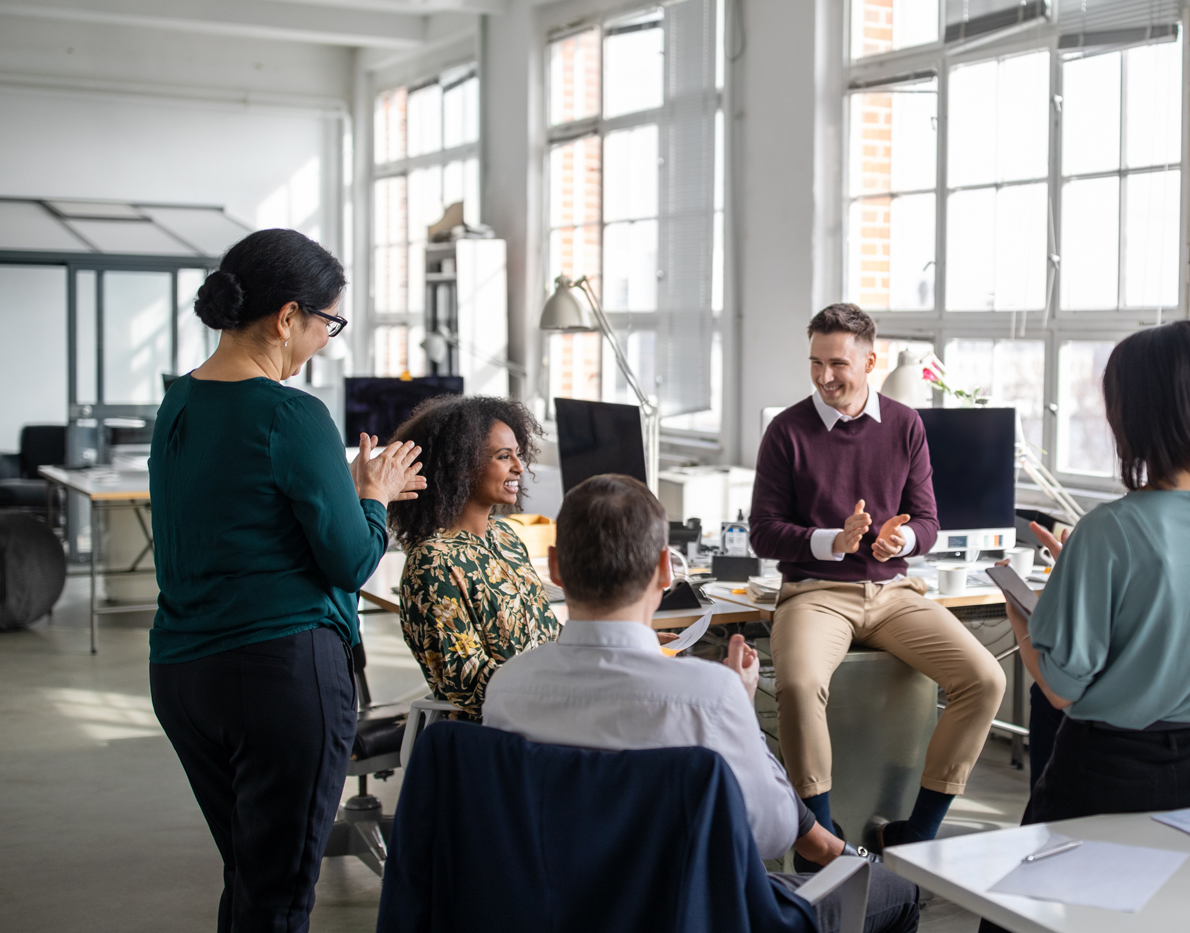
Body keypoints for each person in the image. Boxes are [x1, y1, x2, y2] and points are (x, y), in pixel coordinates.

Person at [486, 475, 919, 933]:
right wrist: (741, 710)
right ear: (664, 571)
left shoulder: (507, 687)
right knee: (900, 893)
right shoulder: (709, 695)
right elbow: (771, 833)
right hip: (693, 913)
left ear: (554, 567)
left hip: (557, 911)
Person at [148, 229, 425, 932]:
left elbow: (238, 517)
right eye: (328, 322)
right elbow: (350, 561)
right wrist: (375, 495)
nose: (327, 339)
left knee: (248, 875)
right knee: (278, 897)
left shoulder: (178, 403)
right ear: (285, 317)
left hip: (184, 672)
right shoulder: (290, 412)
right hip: (277, 677)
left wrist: (346, 490)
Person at [749, 303, 1005, 850]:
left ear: (871, 359)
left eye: (837, 363)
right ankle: (821, 837)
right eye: (815, 363)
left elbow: (929, 522)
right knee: (796, 686)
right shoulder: (786, 431)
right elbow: (763, 533)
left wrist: (901, 540)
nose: (824, 377)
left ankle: (917, 834)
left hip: (893, 593)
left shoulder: (906, 425)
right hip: (815, 594)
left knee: (985, 680)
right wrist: (831, 542)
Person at [1007, 320, 1190, 821]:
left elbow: (1062, 689)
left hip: (1104, 776)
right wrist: (1086, 579)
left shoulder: (1109, 530)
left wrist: (1024, 617)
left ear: (1133, 417)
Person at [389, 395, 561, 721]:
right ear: (460, 465)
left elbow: (549, 635)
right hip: (497, 731)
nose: (518, 467)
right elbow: (470, 685)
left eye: (518, 454)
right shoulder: (434, 564)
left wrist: (625, 646)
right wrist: (568, 685)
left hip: (547, 709)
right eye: (503, 456)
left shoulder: (506, 537)